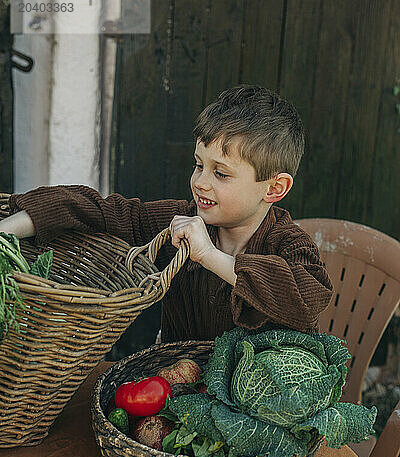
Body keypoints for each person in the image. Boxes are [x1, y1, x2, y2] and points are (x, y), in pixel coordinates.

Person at [0, 85, 333, 343]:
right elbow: (103, 212)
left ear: (274, 188)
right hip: (176, 396)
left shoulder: (290, 244)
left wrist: (207, 255)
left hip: (263, 418)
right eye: (199, 165)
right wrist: (8, 230)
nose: (200, 182)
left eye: (221, 174)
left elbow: (309, 296)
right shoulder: (181, 221)